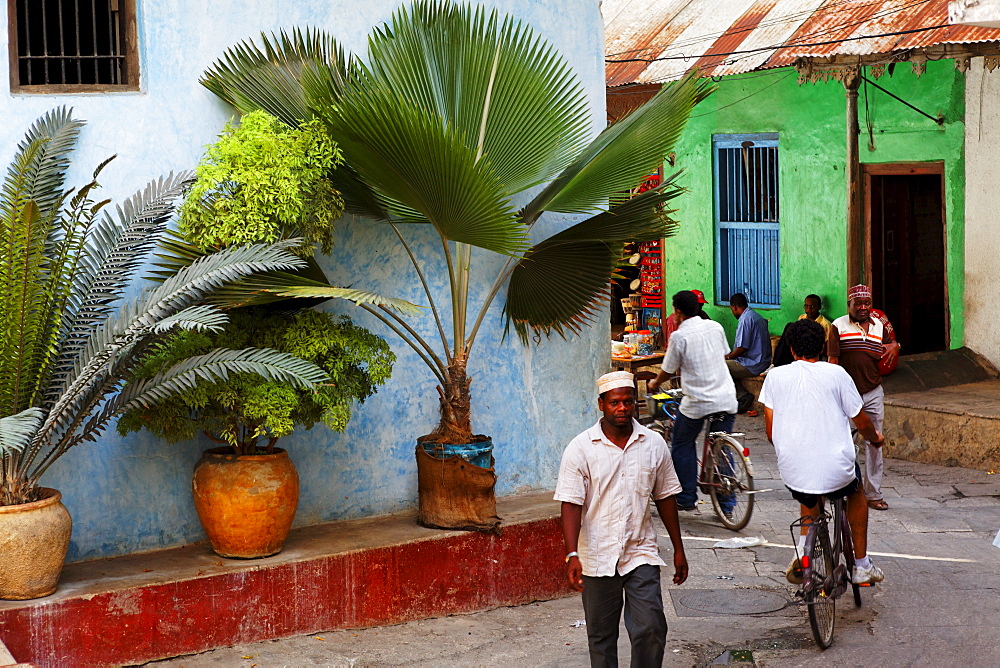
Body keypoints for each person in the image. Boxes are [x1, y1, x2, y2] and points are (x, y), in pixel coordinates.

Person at [555, 371, 688, 667]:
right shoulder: (580, 449)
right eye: (615, 403)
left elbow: (665, 496)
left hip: (640, 552)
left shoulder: (653, 444)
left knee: (651, 628)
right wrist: (572, 554)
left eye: (628, 402)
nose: (622, 408)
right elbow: (571, 504)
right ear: (602, 404)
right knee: (601, 638)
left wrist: (678, 548)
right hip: (597, 556)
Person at [760, 319, 885, 585]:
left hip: (793, 467)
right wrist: (876, 439)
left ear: (792, 349)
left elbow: (771, 432)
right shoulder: (837, 374)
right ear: (823, 348)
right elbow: (861, 421)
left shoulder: (775, 376)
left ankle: (805, 551)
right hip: (834, 467)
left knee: (807, 491)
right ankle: (861, 564)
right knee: (856, 491)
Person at [647, 291, 738, 513]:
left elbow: (667, 371)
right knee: (723, 447)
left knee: (682, 442)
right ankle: (727, 504)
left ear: (678, 312)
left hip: (698, 402)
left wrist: (653, 383)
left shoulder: (680, 336)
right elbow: (724, 353)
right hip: (726, 398)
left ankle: (687, 497)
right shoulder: (715, 327)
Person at [828, 285, 901, 511]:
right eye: (857, 304)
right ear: (849, 305)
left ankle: (873, 494)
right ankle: (841, 489)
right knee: (844, 445)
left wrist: (895, 347)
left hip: (873, 392)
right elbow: (833, 363)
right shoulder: (837, 326)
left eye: (866, 303)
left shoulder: (879, 326)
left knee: (875, 442)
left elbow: (892, 344)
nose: (862, 308)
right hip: (848, 395)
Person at [724, 293, 772, 414]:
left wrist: (726, 357)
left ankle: (742, 396)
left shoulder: (745, 319)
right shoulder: (756, 316)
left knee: (719, 366)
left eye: (731, 309)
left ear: (734, 307)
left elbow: (741, 349)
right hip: (762, 360)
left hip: (753, 364)